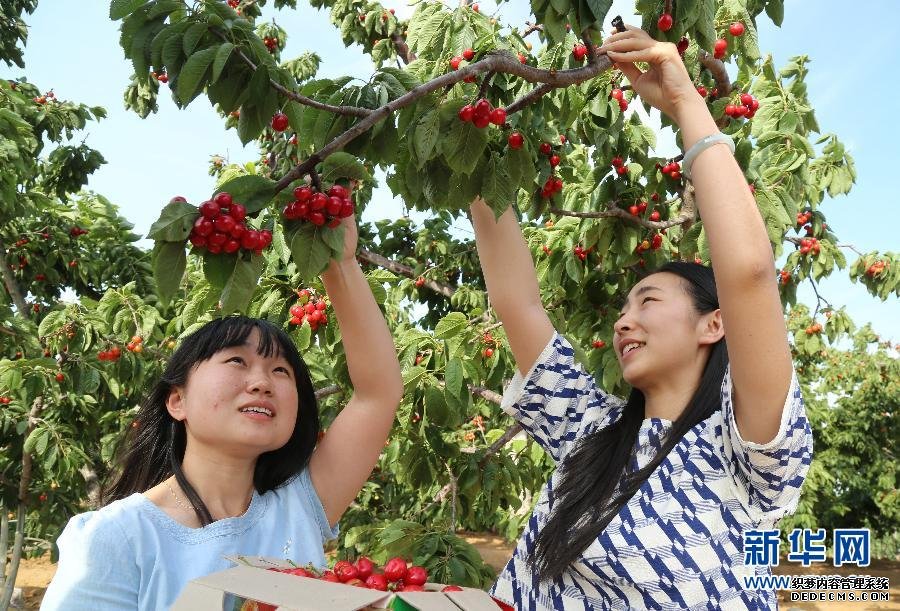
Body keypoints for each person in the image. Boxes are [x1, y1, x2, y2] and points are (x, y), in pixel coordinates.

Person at [471, 26, 813, 610]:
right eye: (624, 308)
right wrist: (475, 151)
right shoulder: (591, 434)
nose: (623, 322)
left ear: (714, 323)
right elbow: (518, 303)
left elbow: (751, 273)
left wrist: (685, 104)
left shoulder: (744, 455)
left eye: (648, 301)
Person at [40, 212, 403, 610]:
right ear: (177, 401)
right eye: (236, 361)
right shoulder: (118, 537)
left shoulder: (298, 506)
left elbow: (377, 394)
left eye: (281, 370)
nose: (263, 381)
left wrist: (341, 263)